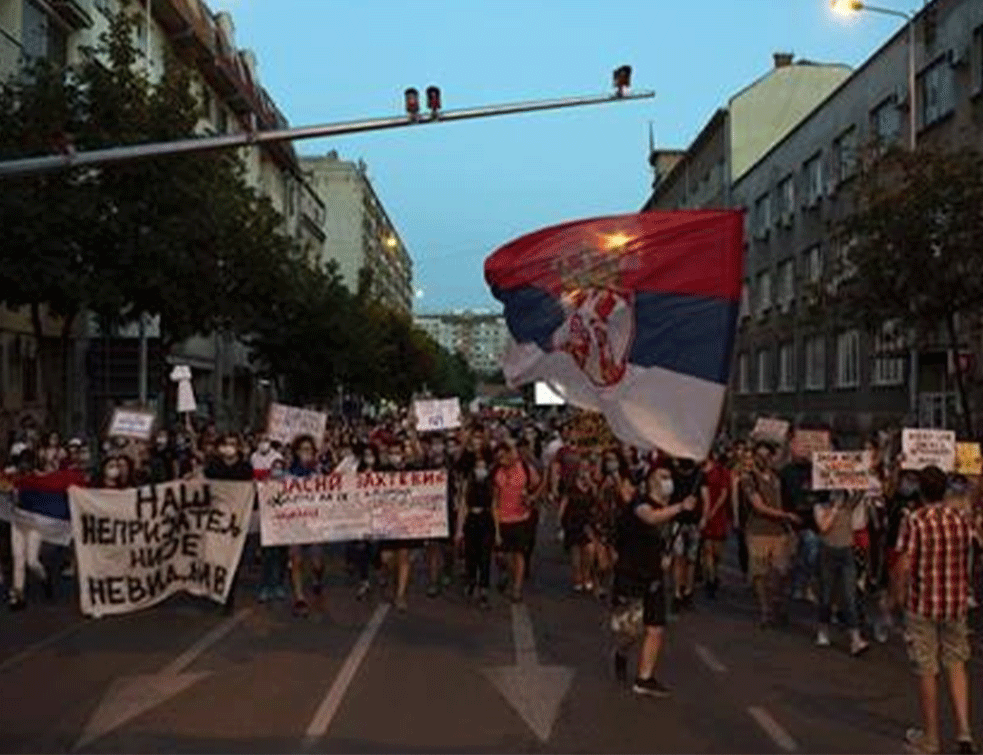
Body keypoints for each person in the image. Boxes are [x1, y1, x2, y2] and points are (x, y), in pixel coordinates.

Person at [895, 466, 976, 755]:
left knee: (927, 669)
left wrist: (898, 597)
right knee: (957, 664)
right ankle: (964, 732)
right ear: (944, 491)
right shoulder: (959, 519)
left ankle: (931, 738)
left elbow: (904, 565)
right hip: (955, 603)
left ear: (920, 490)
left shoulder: (915, 520)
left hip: (923, 604)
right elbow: (968, 555)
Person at [611, 463, 697, 697]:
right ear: (650, 481)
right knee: (632, 631)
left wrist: (665, 557)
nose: (668, 480)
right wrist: (681, 506)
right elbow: (650, 518)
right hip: (631, 573)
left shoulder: (668, 508)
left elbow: (663, 537)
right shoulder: (640, 503)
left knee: (656, 628)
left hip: (654, 577)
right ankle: (621, 652)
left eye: (670, 476)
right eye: (663, 476)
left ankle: (644, 678)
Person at [741, 441, 800, 628]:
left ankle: (777, 604)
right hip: (758, 531)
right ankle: (765, 611)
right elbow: (758, 507)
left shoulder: (777, 477)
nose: (763, 459)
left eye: (767, 456)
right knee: (760, 573)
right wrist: (786, 516)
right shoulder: (748, 478)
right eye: (759, 456)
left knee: (780, 572)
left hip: (779, 532)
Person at [813, 489, 871, 656]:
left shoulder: (849, 505)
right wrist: (834, 508)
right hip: (827, 552)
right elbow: (823, 527)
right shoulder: (820, 506)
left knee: (849, 595)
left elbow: (861, 489)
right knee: (826, 594)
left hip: (847, 552)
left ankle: (855, 638)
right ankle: (823, 629)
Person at [204, 433, 254, 615]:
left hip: (236, 518)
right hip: (216, 518)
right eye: (226, 444)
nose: (229, 447)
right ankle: (215, 590)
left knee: (232, 558)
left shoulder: (245, 467)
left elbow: (249, 490)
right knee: (215, 556)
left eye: (233, 444)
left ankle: (228, 597)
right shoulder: (213, 467)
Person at [493, 441, 539, 603]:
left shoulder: (525, 469)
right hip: (502, 519)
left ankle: (517, 588)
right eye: (499, 457)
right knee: (502, 556)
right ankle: (506, 573)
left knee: (519, 554)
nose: (502, 459)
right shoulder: (497, 473)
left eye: (505, 455)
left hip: (521, 518)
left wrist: (532, 498)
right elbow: (494, 499)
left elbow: (537, 486)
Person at [285, 435, 325, 616]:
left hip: (315, 523)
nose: (306, 453)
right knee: (296, 560)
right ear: (296, 452)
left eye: (309, 449)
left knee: (316, 562)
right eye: (303, 449)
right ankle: (299, 598)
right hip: (295, 522)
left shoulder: (319, 473)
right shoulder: (288, 474)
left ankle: (317, 577)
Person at [456, 449, 496, 608]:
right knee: (471, 555)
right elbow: (463, 506)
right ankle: (471, 580)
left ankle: (484, 589)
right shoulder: (468, 482)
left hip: (486, 520)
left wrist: (498, 532)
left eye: (483, 466)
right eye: (478, 466)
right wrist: (459, 530)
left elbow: (494, 507)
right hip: (471, 520)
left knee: (485, 557)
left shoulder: (491, 484)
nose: (481, 470)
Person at [699, 451, 731, 599]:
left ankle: (714, 573)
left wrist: (714, 509)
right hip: (703, 512)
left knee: (717, 551)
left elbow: (724, 493)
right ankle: (710, 581)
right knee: (707, 550)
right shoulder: (699, 471)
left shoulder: (721, 471)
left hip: (718, 514)